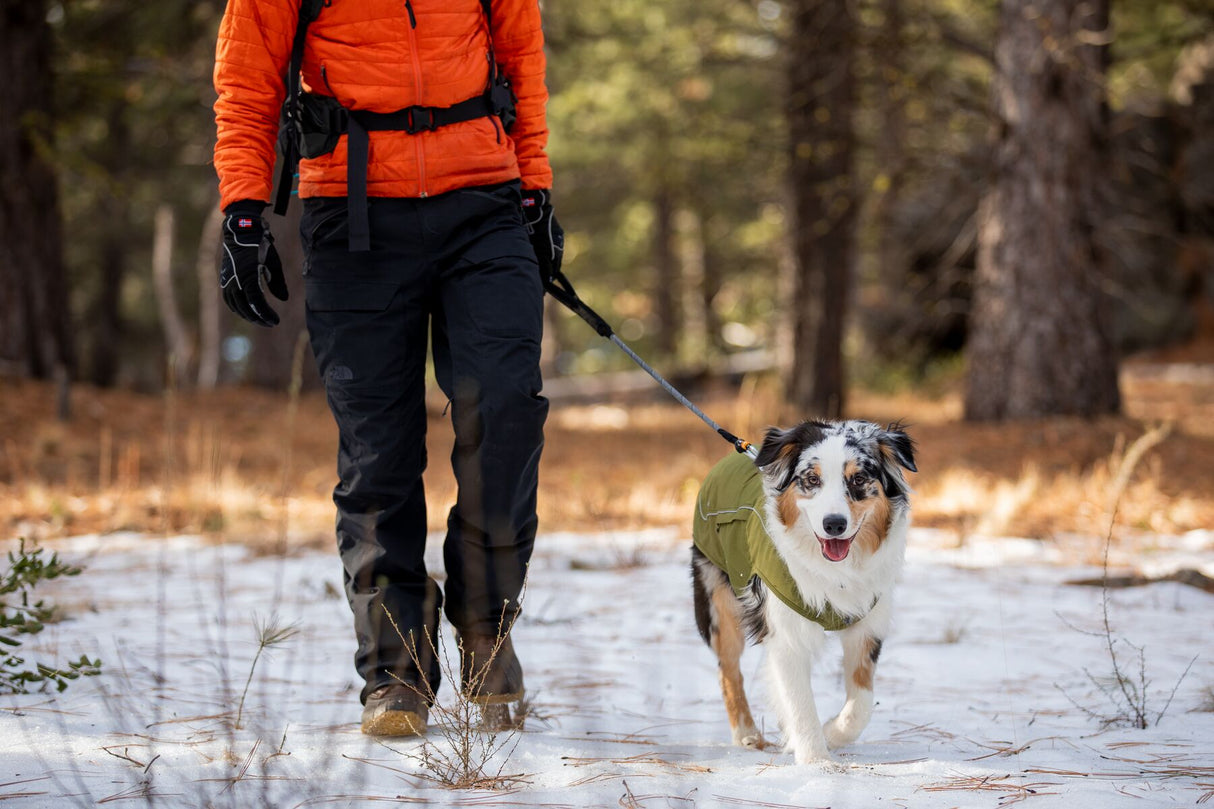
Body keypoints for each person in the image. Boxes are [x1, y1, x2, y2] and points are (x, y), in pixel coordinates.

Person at [212, 0, 562, 737]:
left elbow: (523, 59)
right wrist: (244, 208)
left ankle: (484, 626)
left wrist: (534, 185)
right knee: (379, 451)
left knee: (505, 407)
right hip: (351, 211)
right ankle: (396, 666)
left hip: (484, 201)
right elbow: (248, 81)